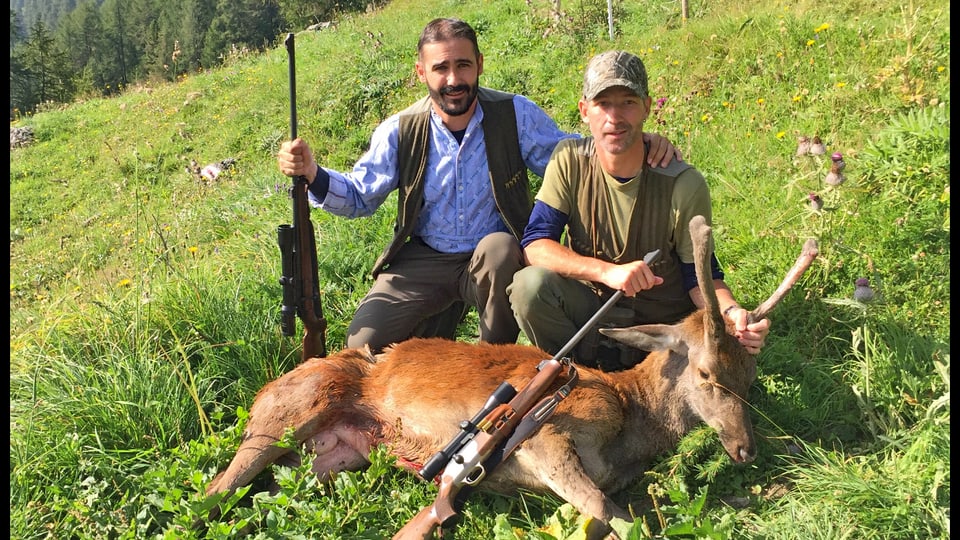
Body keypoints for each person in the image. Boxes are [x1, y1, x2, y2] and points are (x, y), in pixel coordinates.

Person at [277, 19, 679, 353]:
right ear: (421, 72)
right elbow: (360, 197)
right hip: (426, 258)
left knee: (501, 247)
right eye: (441, 68)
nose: (454, 79)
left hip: (492, 258)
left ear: (480, 65)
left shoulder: (513, 115)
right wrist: (312, 172)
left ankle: (492, 360)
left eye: (463, 66)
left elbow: (574, 155)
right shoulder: (401, 130)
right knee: (362, 345)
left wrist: (638, 141)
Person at [507, 50, 769, 371]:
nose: (614, 118)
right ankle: (579, 374)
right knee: (529, 286)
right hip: (596, 314)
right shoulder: (568, 161)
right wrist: (607, 272)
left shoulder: (683, 183)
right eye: (603, 104)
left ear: (646, 107)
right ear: (584, 110)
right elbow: (535, 246)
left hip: (663, 334)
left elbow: (701, 276)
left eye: (628, 102)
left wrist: (732, 317)